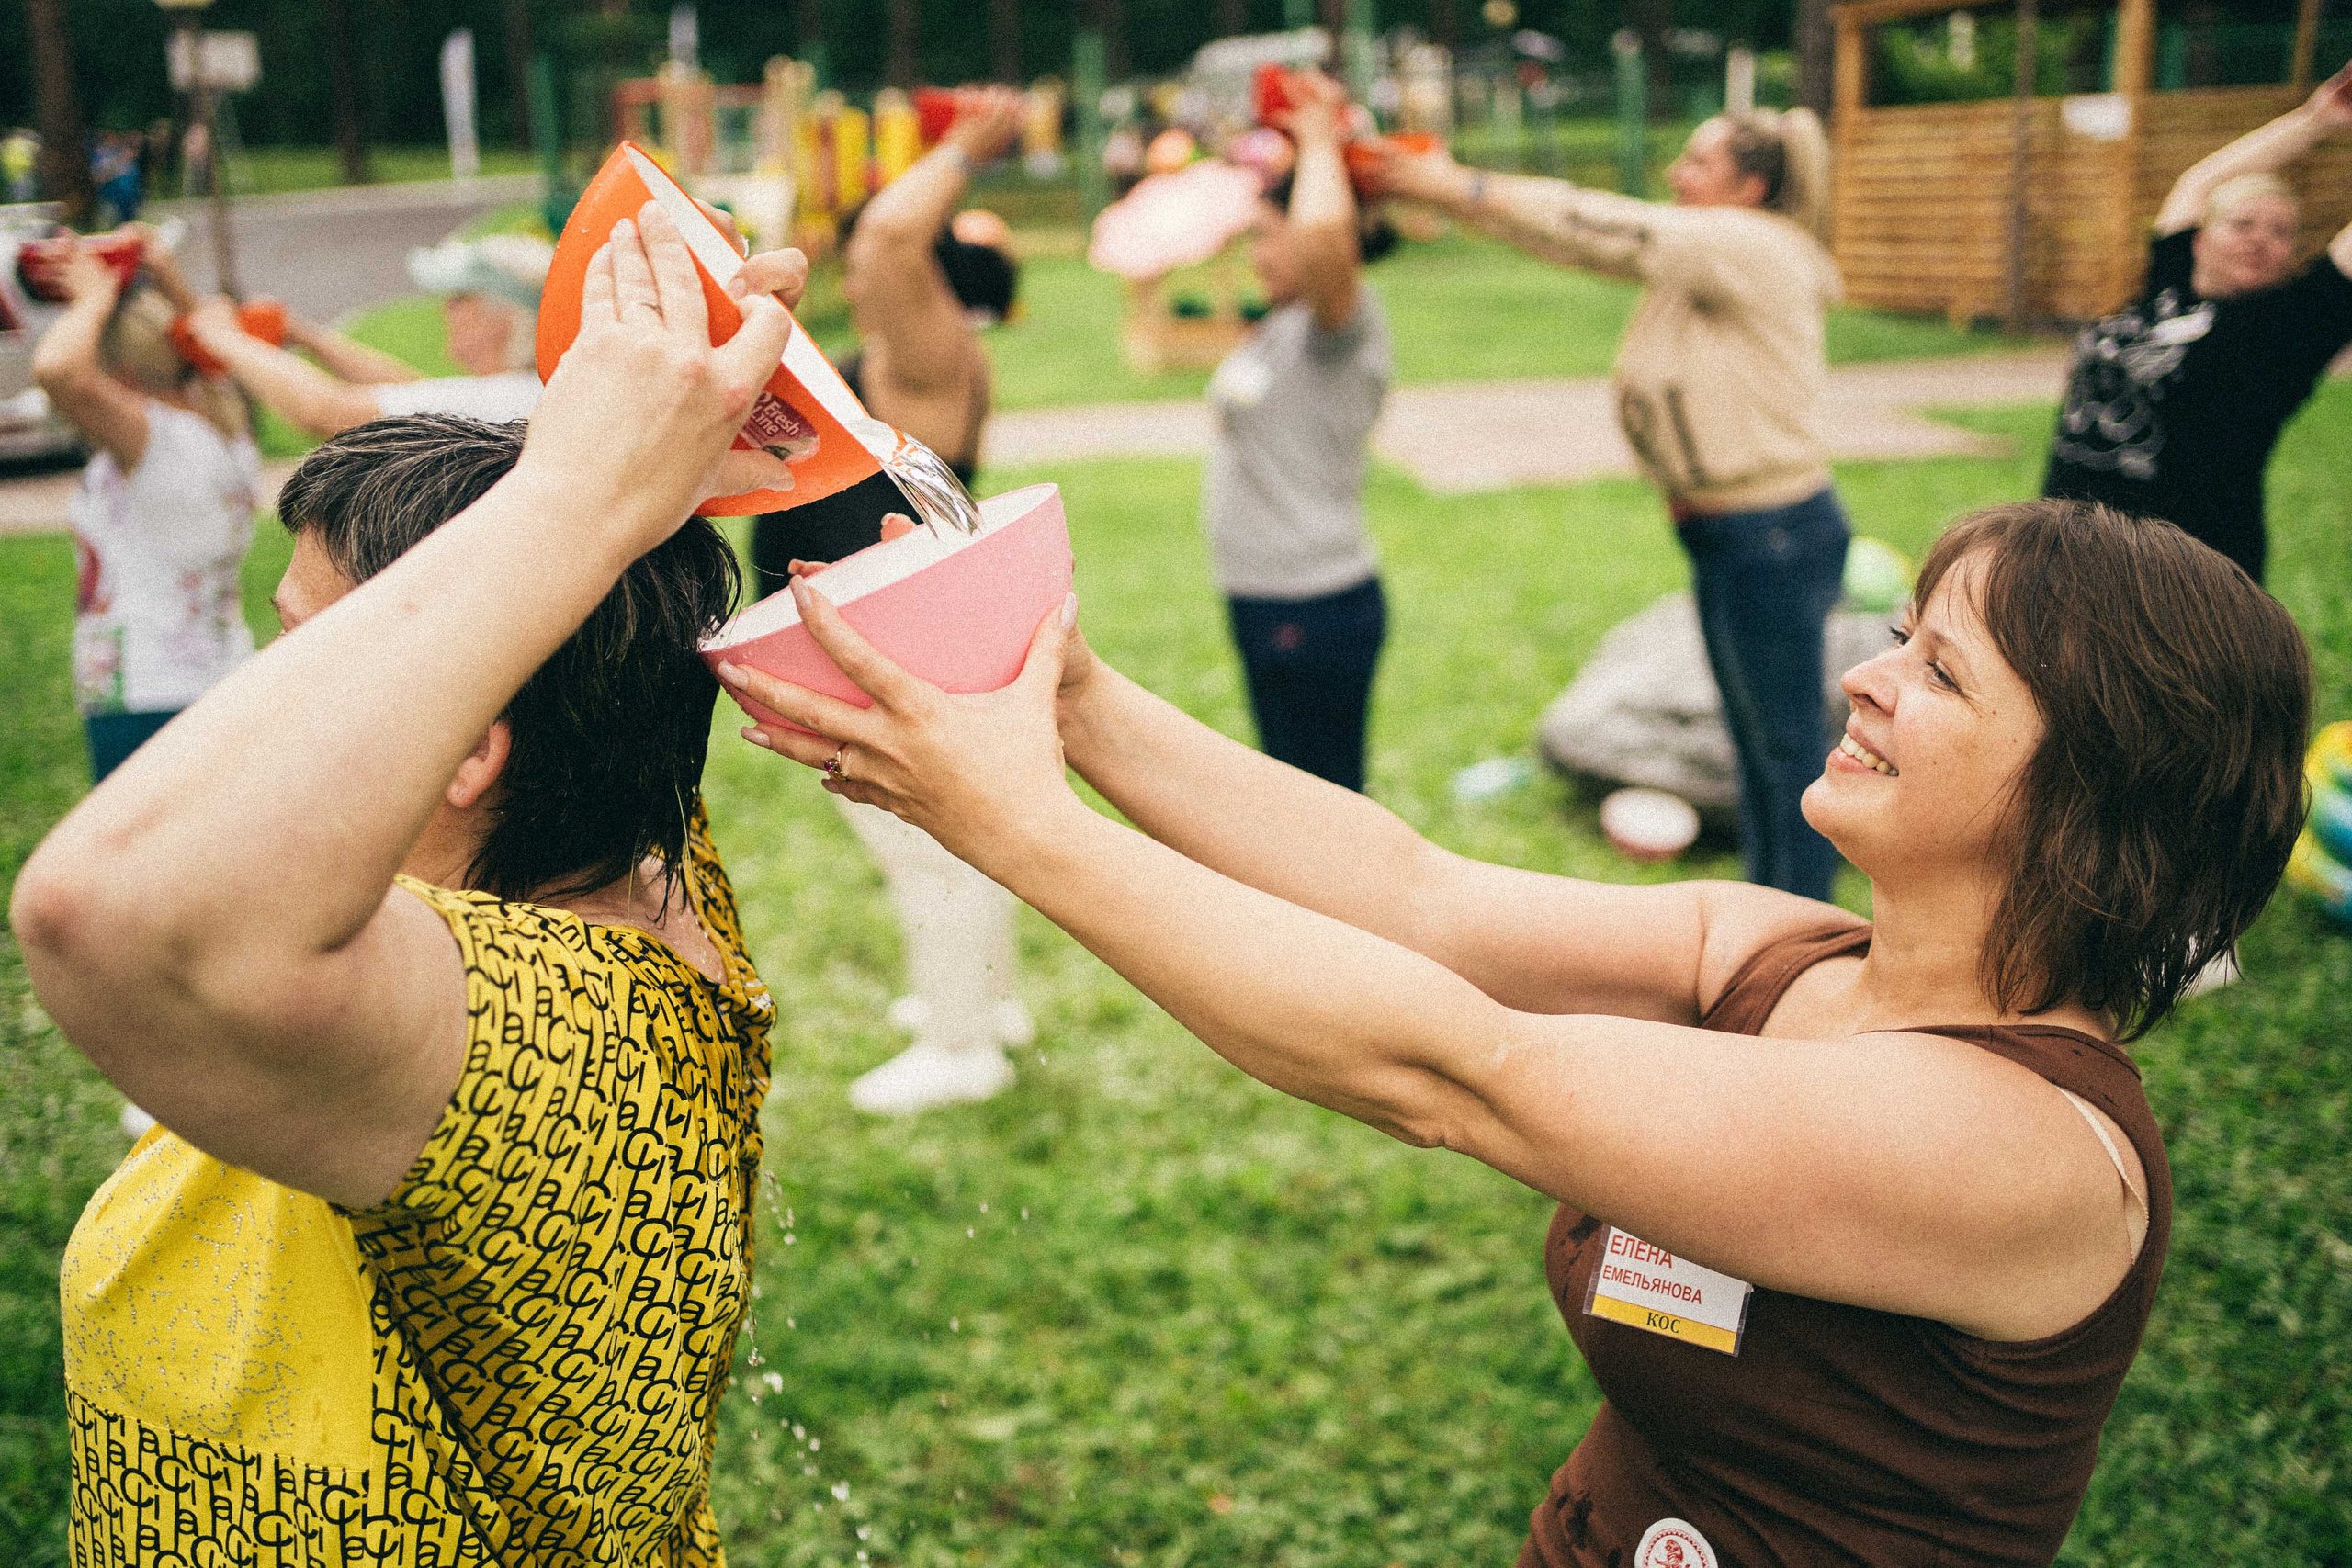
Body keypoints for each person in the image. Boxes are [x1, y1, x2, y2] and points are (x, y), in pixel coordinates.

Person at [725, 497, 2311, 1566]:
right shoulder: (1780, 953)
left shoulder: (2023, 1153)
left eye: (1938, 668)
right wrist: (1059, 693)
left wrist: (1022, 832)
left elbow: (1459, 1071)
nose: (1863, 674)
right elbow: (1414, 898)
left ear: (2090, 801)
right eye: (1897, 632)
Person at [13, 205, 804, 1562]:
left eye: (311, 648)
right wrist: (613, 484)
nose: (263, 691)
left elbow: (109, 913)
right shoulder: (621, 853)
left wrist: (576, 498)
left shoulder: (545, 1027)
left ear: (463, 743)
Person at [1361, 112, 1849, 901]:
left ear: (1749, 187)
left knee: (1785, 750)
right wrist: (1460, 205)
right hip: (1738, 534)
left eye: (1698, 162)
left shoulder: (1748, 246)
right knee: (1759, 747)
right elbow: (1570, 243)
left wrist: (1460, 184)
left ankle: (1796, 934)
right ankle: (1775, 915)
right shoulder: (1712, 253)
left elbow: (1600, 225)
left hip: (1775, 535)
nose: (1676, 175)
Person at [752, 87, 1034, 1117]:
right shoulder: (914, 360)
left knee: (926, 850)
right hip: (891, 630)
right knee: (944, 843)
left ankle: (963, 1048)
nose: (869, 277)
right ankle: (983, 1010)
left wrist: (962, 146)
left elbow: (885, 236)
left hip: (892, 641)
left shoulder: (927, 353)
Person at [2042, 62, 2352, 586]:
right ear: (2200, 237)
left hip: (2184, 574)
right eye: (2243, 223)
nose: (2260, 238)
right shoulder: (2167, 286)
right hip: (2067, 548)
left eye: (2280, 232)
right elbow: (2200, 181)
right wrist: (2316, 120)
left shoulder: (2291, 327)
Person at [1206, 71, 1398, 795]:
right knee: (1295, 797)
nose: (1255, 254)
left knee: (1322, 802)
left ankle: (1348, 917)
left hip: (1312, 601)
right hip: (1266, 592)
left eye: (1264, 237)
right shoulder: (1284, 327)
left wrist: (1318, 141)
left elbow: (1323, 234)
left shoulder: (1340, 329)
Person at [31, 225, 259, 782]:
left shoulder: (152, 439)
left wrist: (95, 295)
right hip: (219, 674)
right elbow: (212, 347)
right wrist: (156, 265)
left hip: (147, 695)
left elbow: (57, 370)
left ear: (122, 374)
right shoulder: (224, 422)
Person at [185, 231, 555, 437]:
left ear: (504, 317)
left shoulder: (508, 399)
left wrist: (220, 336)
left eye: (460, 297)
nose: (446, 309)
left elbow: (325, 411)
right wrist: (309, 337)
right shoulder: (515, 395)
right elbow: (413, 393)